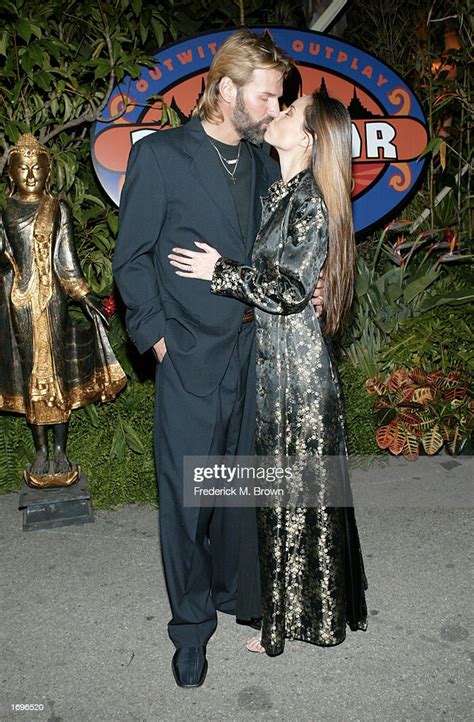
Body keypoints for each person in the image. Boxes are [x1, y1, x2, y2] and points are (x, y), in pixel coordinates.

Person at [113, 29, 325, 687]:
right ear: (227, 87)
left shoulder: (266, 162)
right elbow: (132, 258)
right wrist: (154, 335)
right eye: (266, 96)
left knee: (241, 494)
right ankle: (190, 632)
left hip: (256, 354)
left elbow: (280, 248)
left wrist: (303, 284)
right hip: (191, 355)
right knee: (187, 503)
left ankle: (242, 599)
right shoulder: (164, 158)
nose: (272, 109)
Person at [168, 90, 369, 657]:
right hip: (275, 362)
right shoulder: (280, 189)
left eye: (289, 111)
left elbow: (287, 289)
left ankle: (307, 616)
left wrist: (220, 272)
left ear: (306, 139)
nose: (276, 113)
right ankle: (287, 615)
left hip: (297, 371)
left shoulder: (310, 199)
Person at [0, 134, 126, 488]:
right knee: (29, 375)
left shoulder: (58, 209)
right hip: (18, 302)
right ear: (10, 174)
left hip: (52, 302)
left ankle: (61, 449)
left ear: (48, 171)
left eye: (36, 168)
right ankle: (40, 450)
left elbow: (67, 263)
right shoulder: (6, 211)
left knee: (55, 373)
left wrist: (85, 297)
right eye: (21, 169)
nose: (29, 175)